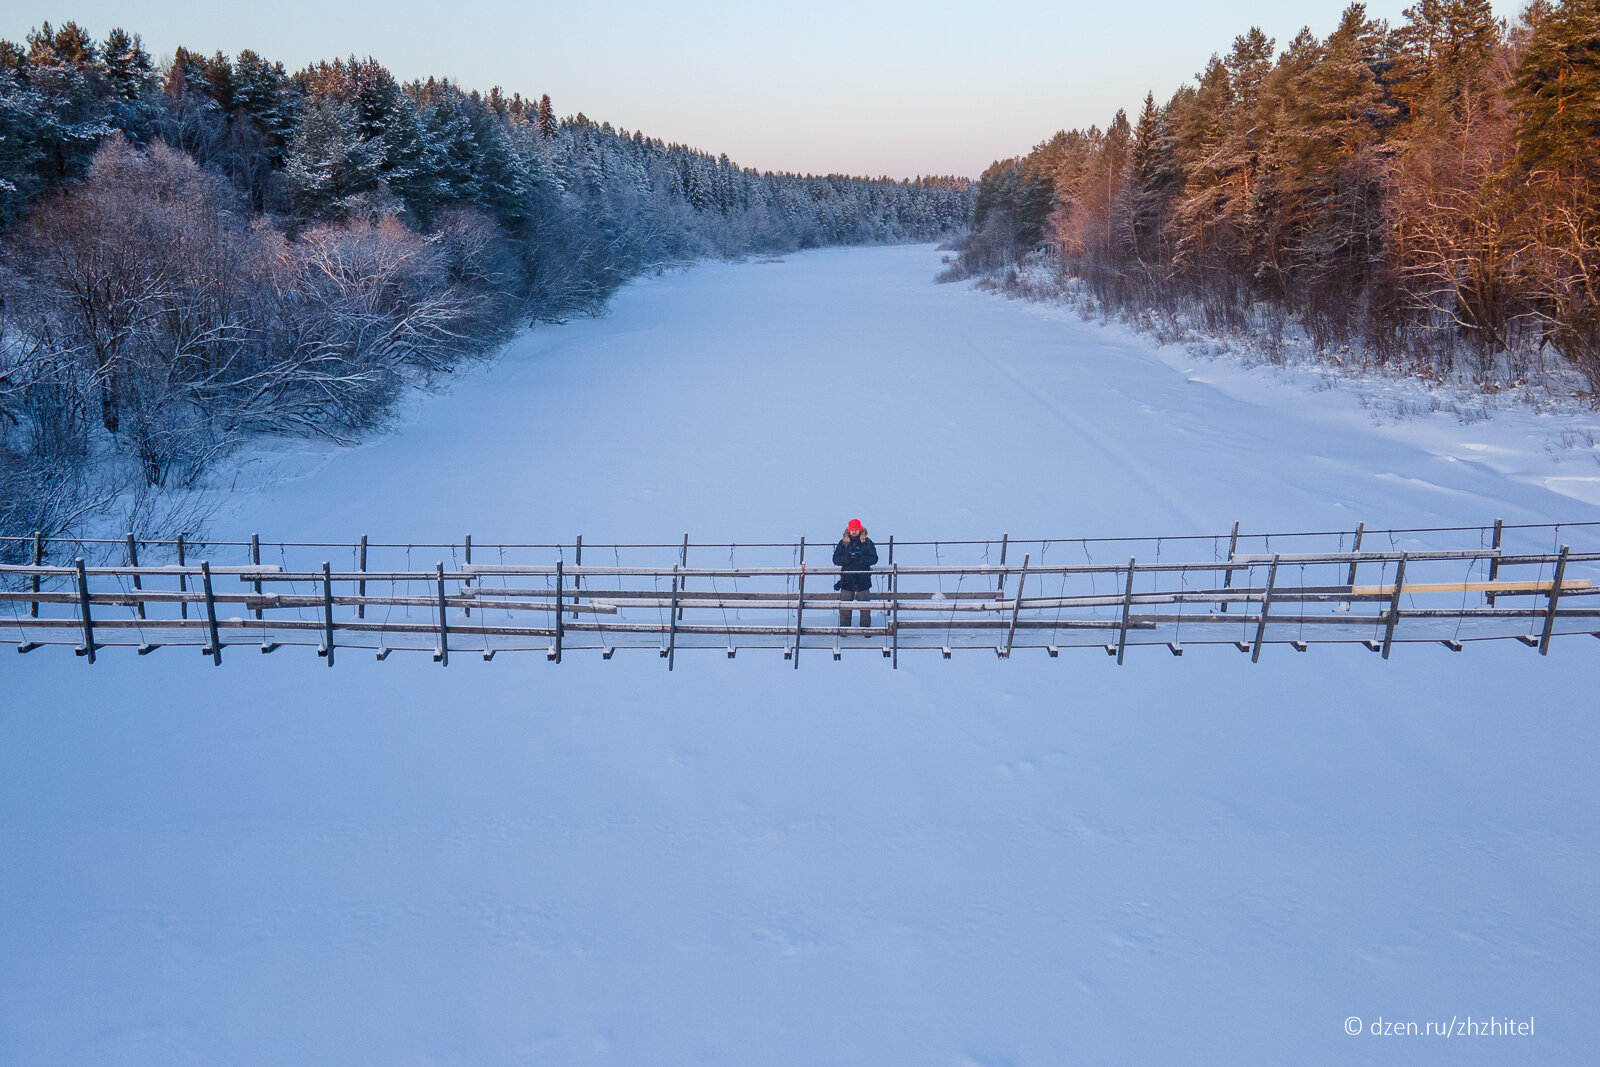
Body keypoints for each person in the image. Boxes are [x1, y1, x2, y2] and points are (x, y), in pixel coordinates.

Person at [832, 518, 878, 627]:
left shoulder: (867, 543)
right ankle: (844, 629)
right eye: (852, 529)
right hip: (847, 580)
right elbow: (835, 559)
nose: (854, 532)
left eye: (856, 529)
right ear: (848, 530)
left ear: (860, 530)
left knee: (865, 608)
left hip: (863, 580)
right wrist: (847, 559)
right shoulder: (843, 543)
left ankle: (865, 628)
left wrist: (861, 559)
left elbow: (874, 559)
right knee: (845, 607)